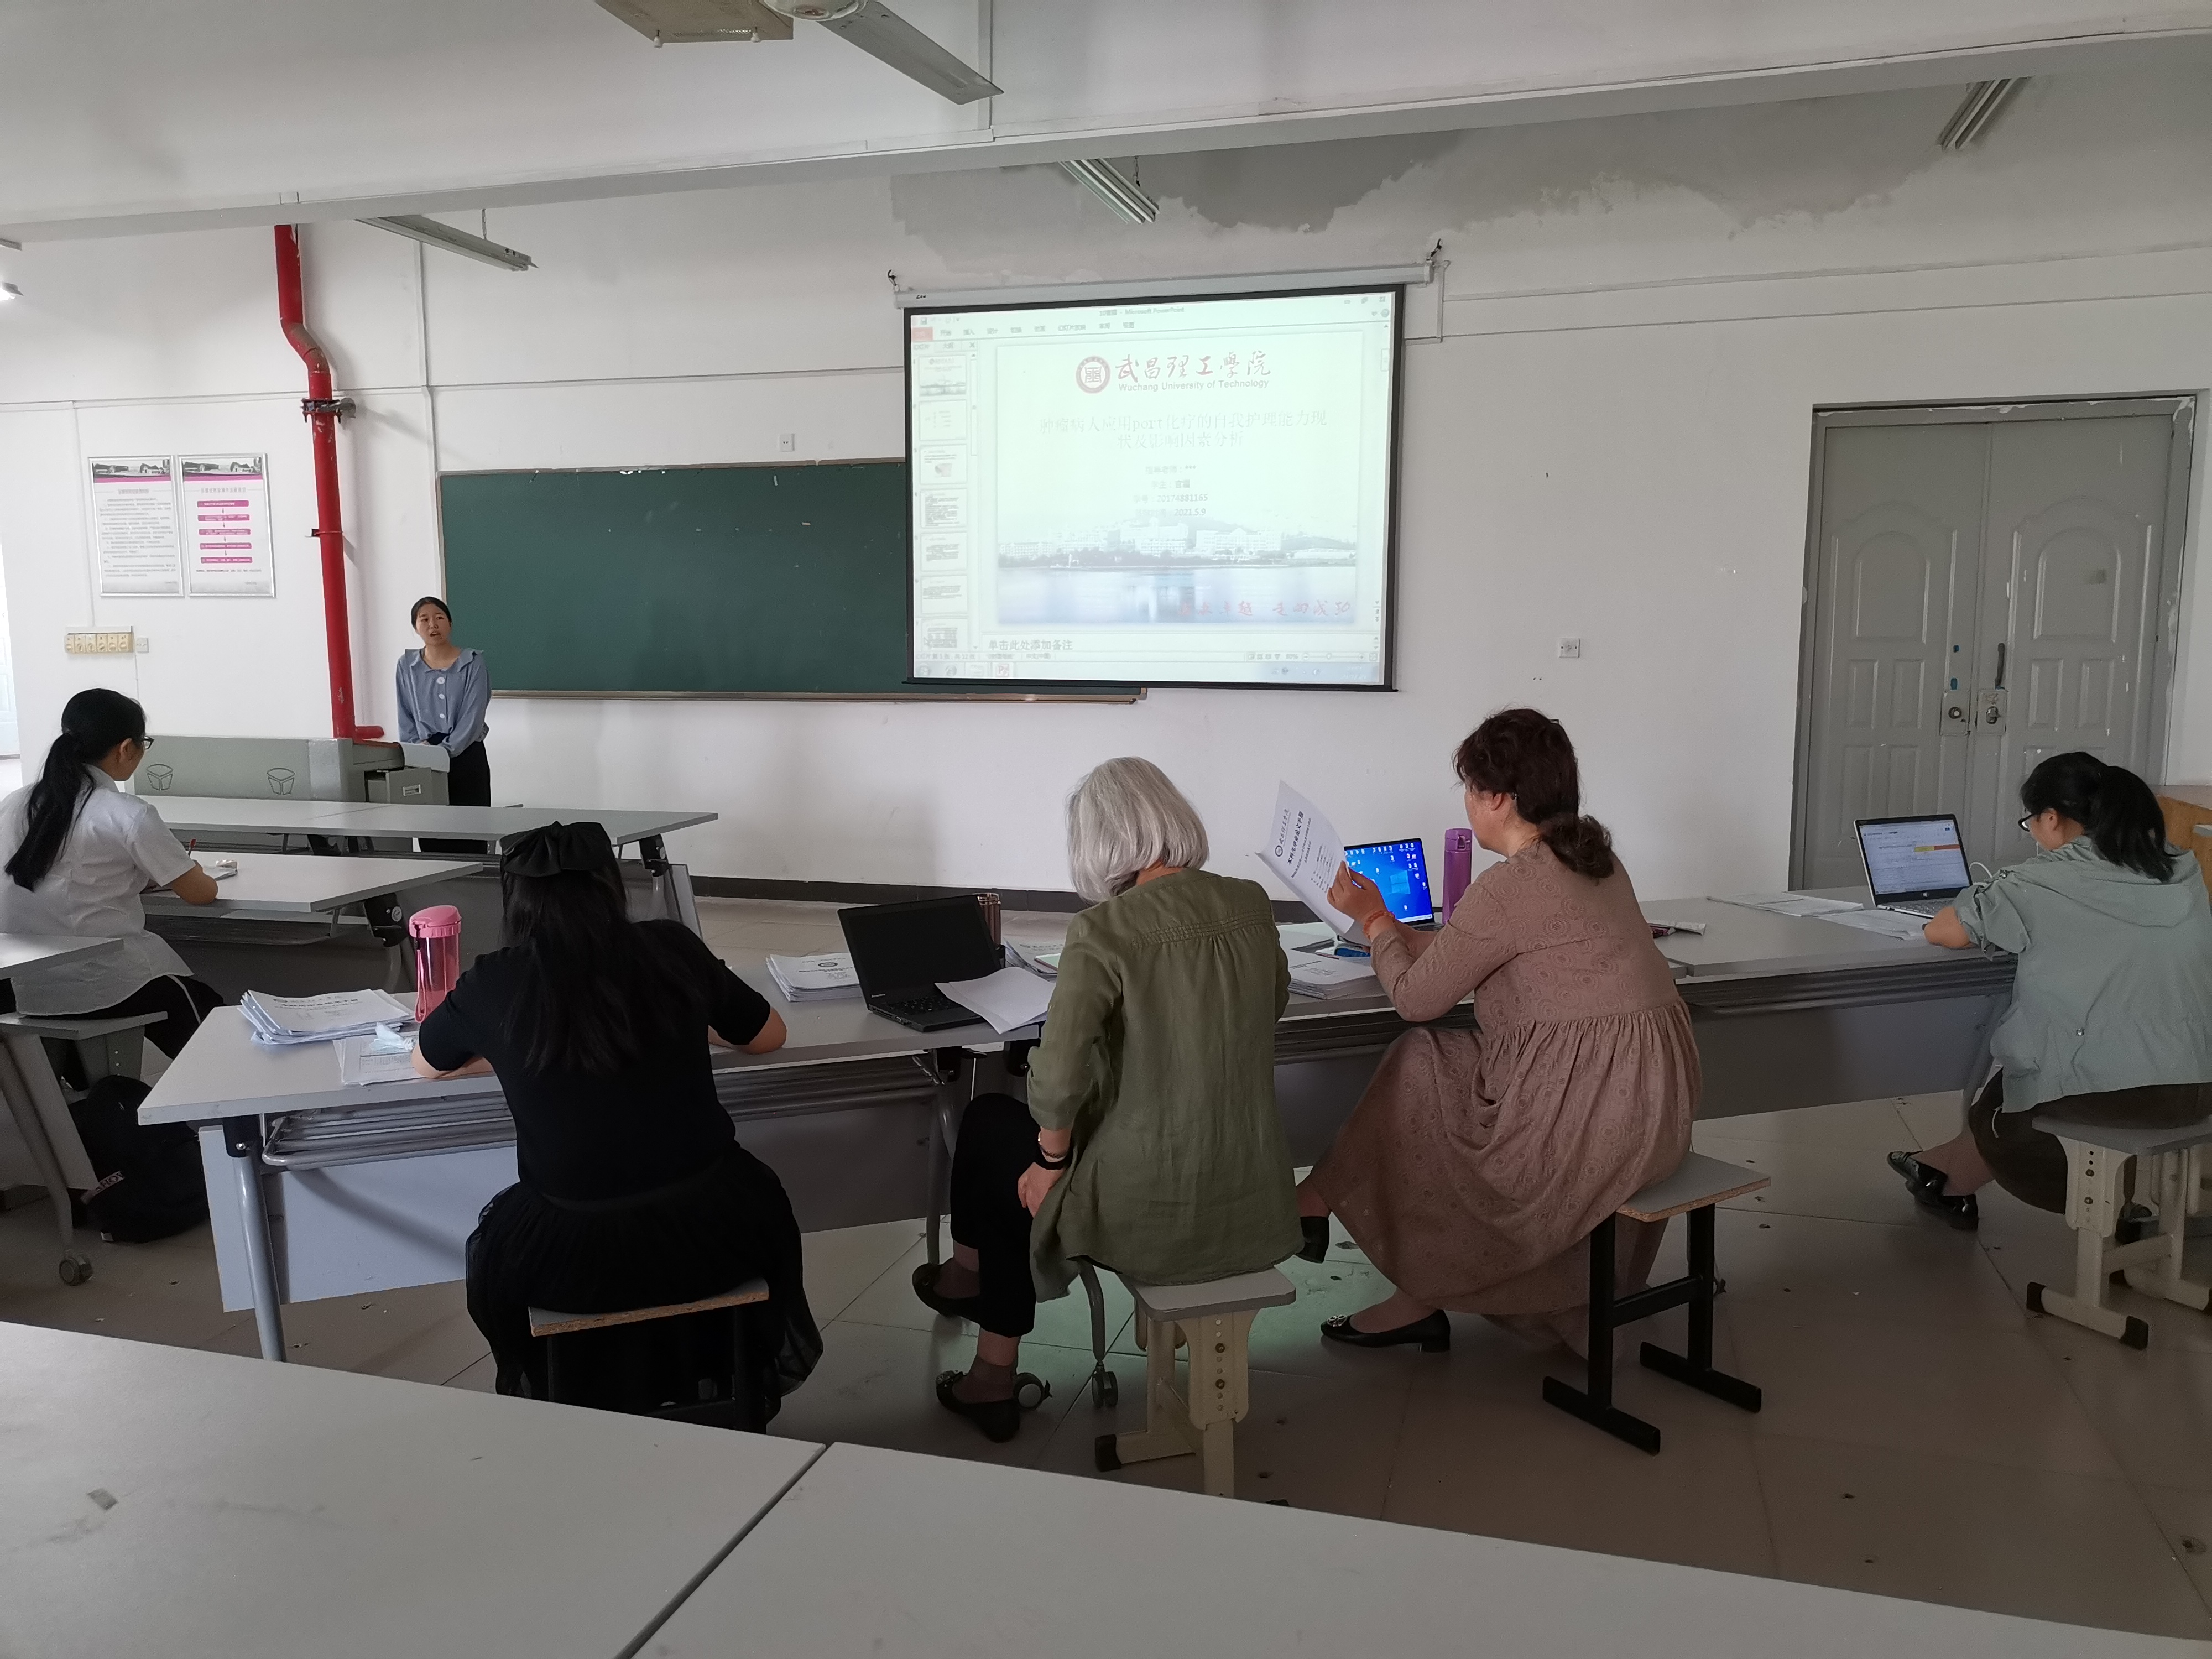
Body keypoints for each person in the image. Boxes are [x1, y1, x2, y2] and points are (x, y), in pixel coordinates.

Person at [912, 758, 1301, 1442]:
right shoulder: (1250, 903)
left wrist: (1050, 1162)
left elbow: (1057, 1079)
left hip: (1148, 1210)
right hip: (1251, 1196)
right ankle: (963, 1281)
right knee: (1008, 1141)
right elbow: (1270, 1006)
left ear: (1097, 841)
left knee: (992, 1128)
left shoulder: (1104, 930)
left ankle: (990, 1366)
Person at [1300, 708, 1699, 1354]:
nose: (1466, 802)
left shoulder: (1508, 886)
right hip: (1654, 1109)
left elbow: (1416, 1000)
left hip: (1582, 1118)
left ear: (1498, 798)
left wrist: (1374, 923)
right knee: (1438, 1071)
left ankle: (1351, 1230)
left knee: (1419, 1063)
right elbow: (1478, 945)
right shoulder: (1598, 861)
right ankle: (1343, 1224)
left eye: (1469, 787)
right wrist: (1395, 931)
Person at [412, 820, 821, 1410]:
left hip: (573, 1257)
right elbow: (768, 1036)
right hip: (716, 1233)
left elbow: (427, 1064)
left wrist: (508, 1049)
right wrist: (685, 1020)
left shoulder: (494, 981)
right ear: (611, 884)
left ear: (515, 900)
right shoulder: (672, 948)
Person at [1889, 753, 2212, 1228]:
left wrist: (1990, 892)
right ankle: (1941, 1172)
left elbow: (1944, 932)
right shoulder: (2181, 870)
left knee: (2006, 1101)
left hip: (2120, 1095)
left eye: (2031, 822)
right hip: (2199, 1080)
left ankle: (2103, 1204)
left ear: (2052, 819)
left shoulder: (2039, 882)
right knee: (2038, 1070)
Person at [0, 688, 225, 1055]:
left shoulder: (15, 803)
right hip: (107, 984)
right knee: (216, 1022)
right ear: (126, 748)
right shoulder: (126, 813)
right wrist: (190, 869)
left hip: (27, 986)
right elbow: (202, 893)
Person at [395, 596, 491, 808]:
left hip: (467, 752)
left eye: (439, 618)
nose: (433, 625)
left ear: (450, 623)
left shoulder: (472, 662)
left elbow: (473, 715)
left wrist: (444, 752)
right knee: (430, 823)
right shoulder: (406, 666)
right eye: (424, 619)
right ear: (415, 627)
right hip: (424, 755)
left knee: (471, 822)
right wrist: (418, 749)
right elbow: (405, 714)